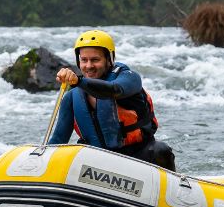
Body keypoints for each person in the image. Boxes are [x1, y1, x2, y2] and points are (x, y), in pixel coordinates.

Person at [48, 29, 176, 171]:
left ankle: (175, 184)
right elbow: (58, 140)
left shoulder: (130, 78)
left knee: (161, 150)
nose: (88, 66)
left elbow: (113, 90)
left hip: (138, 157)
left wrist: (78, 81)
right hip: (97, 163)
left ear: (109, 60)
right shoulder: (72, 97)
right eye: (84, 60)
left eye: (95, 60)